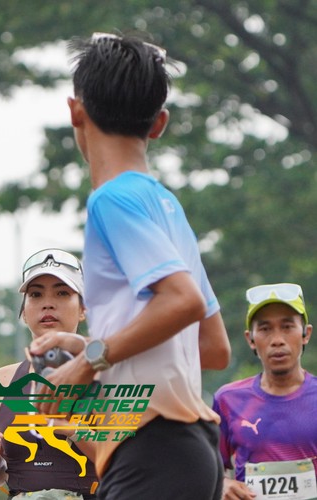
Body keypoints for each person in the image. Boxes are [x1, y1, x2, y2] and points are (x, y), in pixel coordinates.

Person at [30, 32, 231, 500]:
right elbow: (212, 347)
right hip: (193, 453)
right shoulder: (166, 207)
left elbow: (182, 301)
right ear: (159, 123)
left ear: (76, 111)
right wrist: (87, 346)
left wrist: (88, 363)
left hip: (152, 449)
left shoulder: (112, 200)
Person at [0, 248, 98, 499]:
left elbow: (132, 462)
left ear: (83, 309)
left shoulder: (110, 375)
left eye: (62, 293)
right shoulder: (0, 382)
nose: (47, 303)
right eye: (36, 294)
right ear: (23, 312)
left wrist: (71, 428)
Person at [213, 283, 317, 500]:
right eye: (265, 329)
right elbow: (210, 467)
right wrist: (222, 484)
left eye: (287, 327)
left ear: (306, 334)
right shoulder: (227, 400)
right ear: (250, 339)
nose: (277, 340)